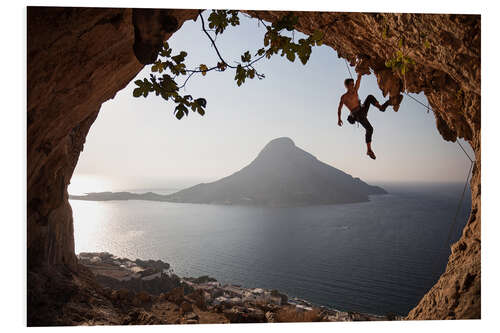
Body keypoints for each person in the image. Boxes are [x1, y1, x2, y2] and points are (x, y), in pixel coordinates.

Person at [337, 72, 393, 160]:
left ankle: (381, 107)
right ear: (347, 86)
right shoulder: (344, 97)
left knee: (370, 97)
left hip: (362, 109)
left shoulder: (355, 91)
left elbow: (359, 80)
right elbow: (339, 108)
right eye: (351, 84)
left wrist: (360, 73)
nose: (353, 85)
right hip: (357, 115)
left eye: (353, 84)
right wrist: (339, 119)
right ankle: (369, 150)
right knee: (370, 129)